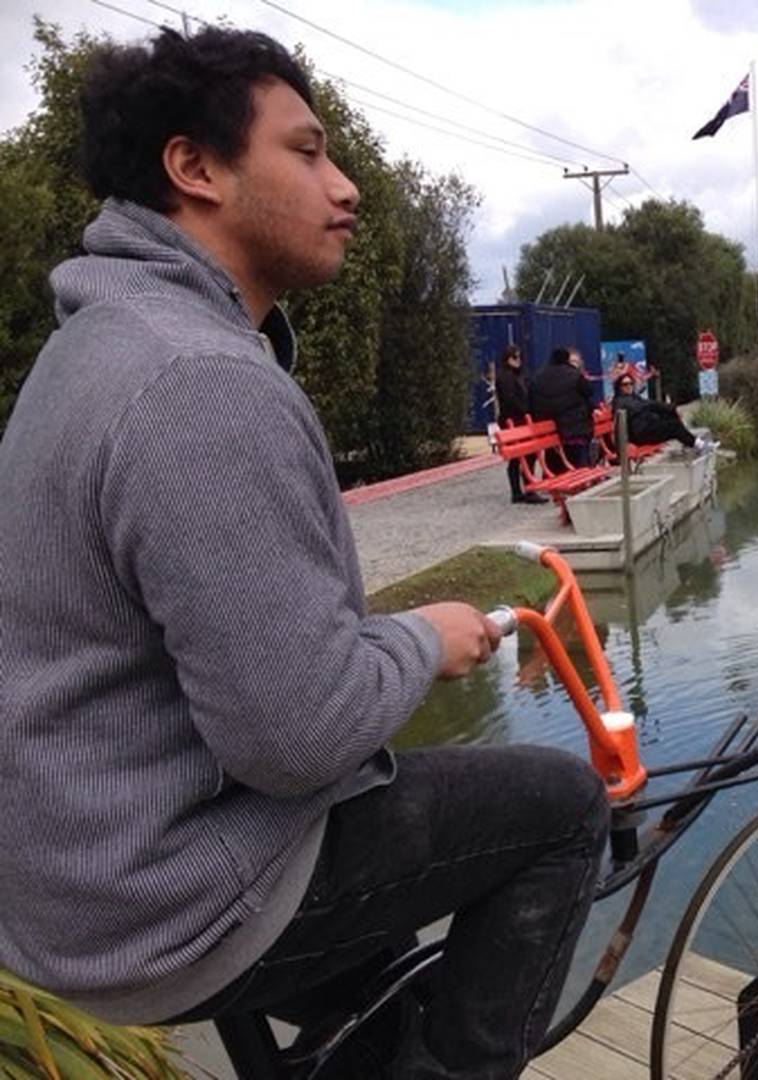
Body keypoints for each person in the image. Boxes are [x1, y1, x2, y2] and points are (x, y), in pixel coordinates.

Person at [0, 27, 609, 1080]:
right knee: (561, 809)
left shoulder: (93, 348)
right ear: (195, 168)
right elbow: (295, 739)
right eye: (308, 151)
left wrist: (370, 644)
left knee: (388, 961)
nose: (347, 185)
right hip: (160, 903)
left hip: (67, 883)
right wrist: (421, 641)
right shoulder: (198, 380)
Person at [609, 365, 715, 451]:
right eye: (625, 384)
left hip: (645, 429)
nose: (629, 386)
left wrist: (671, 409)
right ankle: (698, 444)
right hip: (640, 436)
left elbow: (648, 404)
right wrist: (670, 408)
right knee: (674, 426)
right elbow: (646, 405)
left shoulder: (632, 397)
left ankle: (692, 442)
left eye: (631, 383)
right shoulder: (620, 401)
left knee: (671, 417)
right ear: (619, 387)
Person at [495, 344, 546, 504]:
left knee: (520, 456)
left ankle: (520, 490)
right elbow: (511, 400)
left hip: (517, 419)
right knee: (522, 455)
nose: (518, 360)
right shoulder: (506, 377)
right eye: (515, 357)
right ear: (507, 359)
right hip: (514, 420)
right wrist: (527, 410)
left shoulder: (516, 375)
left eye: (519, 357)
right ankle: (525, 490)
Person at [530, 346, 595, 468]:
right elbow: (589, 391)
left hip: (549, 434)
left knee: (555, 462)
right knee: (580, 461)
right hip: (575, 432)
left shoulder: (538, 377)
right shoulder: (575, 375)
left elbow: (532, 403)